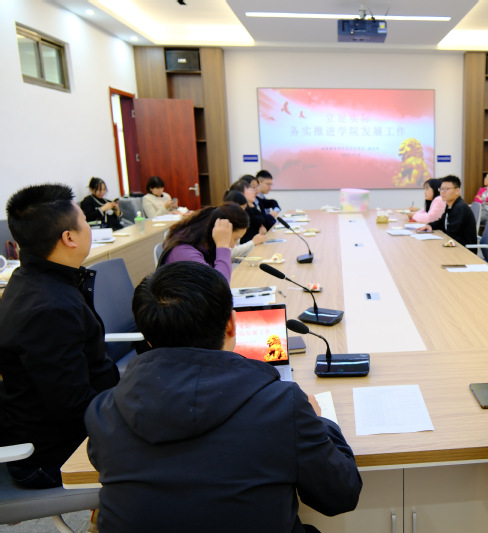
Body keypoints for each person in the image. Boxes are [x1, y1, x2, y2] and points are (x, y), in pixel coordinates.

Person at [85, 261, 362, 532]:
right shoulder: (282, 404)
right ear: (231, 324)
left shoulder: (103, 410)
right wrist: (321, 422)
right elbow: (340, 495)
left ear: (147, 338)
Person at [0, 184, 119, 488]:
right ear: (69, 238)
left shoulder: (36, 279)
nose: (89, 228)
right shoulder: (47, 308)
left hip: (67, 428)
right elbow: (73, 406)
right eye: (85, 221)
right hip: (53, 456)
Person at [158, 203, 248, 283]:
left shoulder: (204, 244)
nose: (232, 245)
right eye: (235, 239)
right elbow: (219, 287)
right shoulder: (183, 251)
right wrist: (223, 246)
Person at [418, 175, 477, 248]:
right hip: (454, 245)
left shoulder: (460, 208)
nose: (442, 192)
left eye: (446, 189)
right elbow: (442, 222)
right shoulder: (450, 205)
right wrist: (430, 225)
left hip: (464, 249)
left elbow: (453, 234)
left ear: (457, 191)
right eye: (441, 189)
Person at [231, 176, 276, 242]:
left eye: (256, 187)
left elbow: (263, 222)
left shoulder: (253, 206)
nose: (255, 191)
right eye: (251, 189)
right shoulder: (241, 212)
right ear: (241, 194)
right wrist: (259, 235)